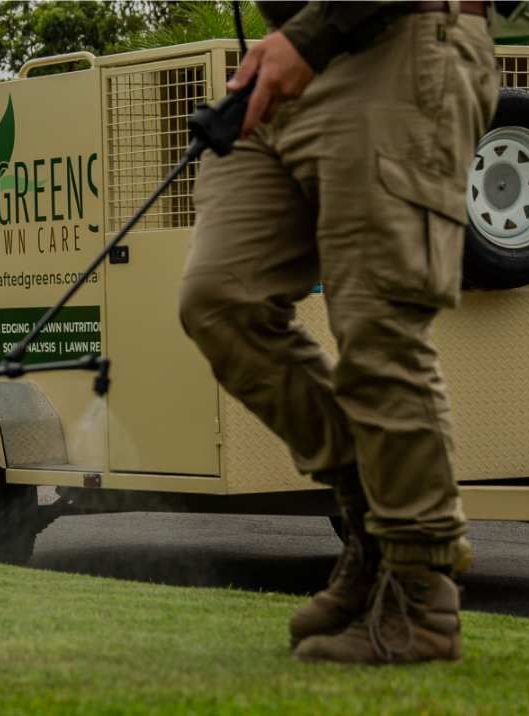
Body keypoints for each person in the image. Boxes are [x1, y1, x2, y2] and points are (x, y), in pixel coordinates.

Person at [178, 1, 498, 664]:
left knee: (378, 331)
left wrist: (311, 34)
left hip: (398, 40)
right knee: (219, 299)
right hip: (293, 59)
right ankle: (373, 523)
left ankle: (419, 595)